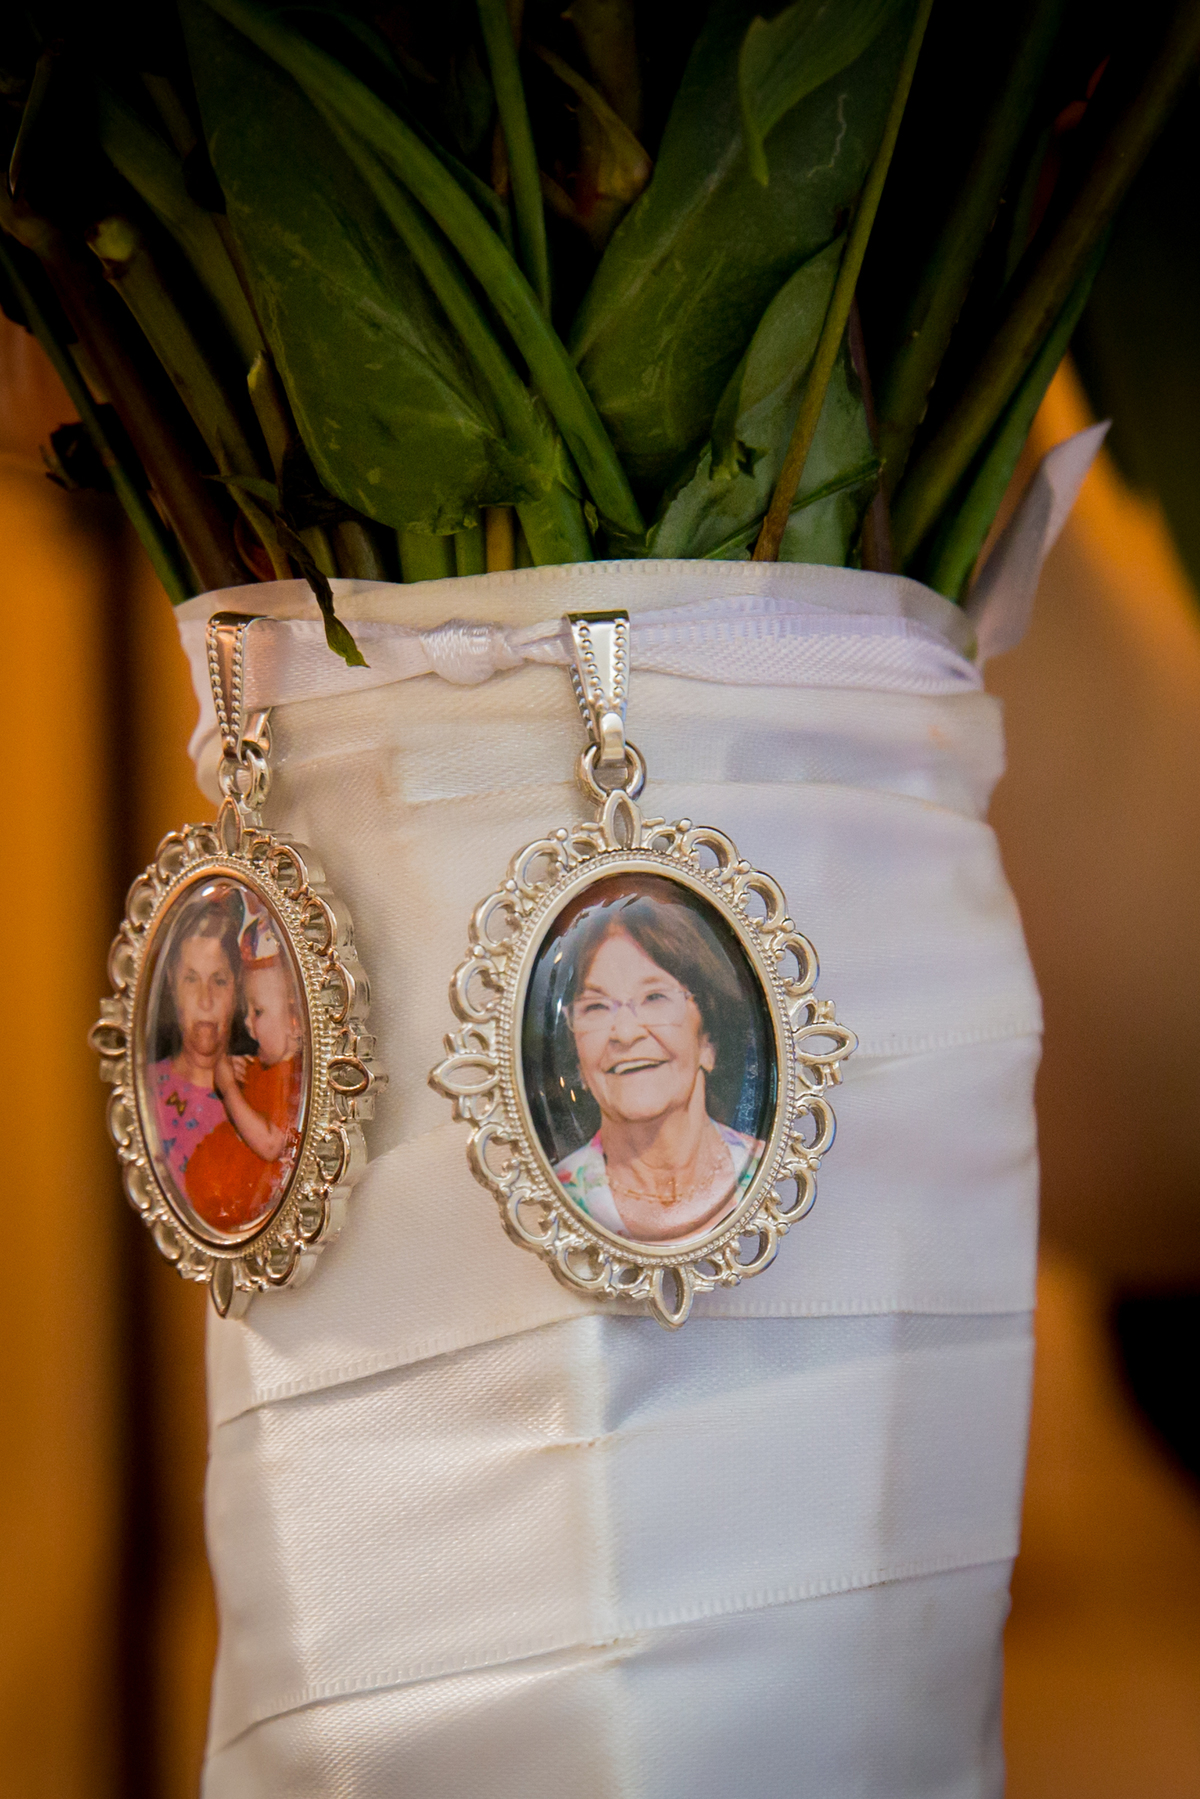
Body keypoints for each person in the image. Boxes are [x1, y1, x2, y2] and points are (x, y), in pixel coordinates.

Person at [549, 877, 765, 1243]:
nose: (625, 1033)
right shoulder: (551, 1202)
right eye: (596, 1007)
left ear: (708, 1038)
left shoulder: (770, 1176)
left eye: (654, 998)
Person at [185, 912, 304, 1233]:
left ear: (295, 1021)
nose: (249, 1024)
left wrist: (230, 1090)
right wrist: (241, 1078)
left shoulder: (292, 1079)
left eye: (258, 1011)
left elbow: (270, 1144)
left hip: (254, 1186)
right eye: (247, 1011)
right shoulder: (270, 1068)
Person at [148, 885, 244, 1201]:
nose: (205, 1000)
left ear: (237, 989)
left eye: (219, 980)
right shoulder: (145, 1091)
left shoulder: (259, 1094)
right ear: (172, 984)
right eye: (191, 979)